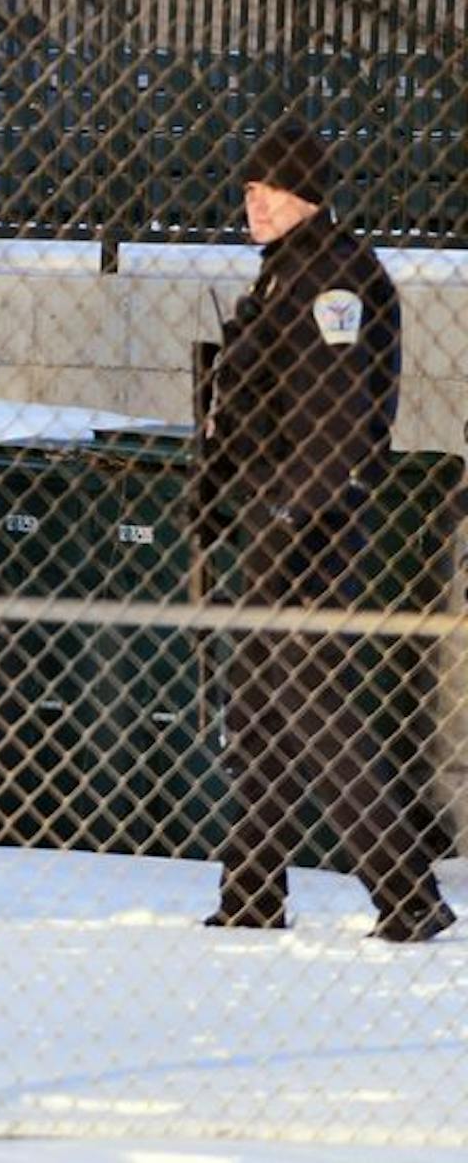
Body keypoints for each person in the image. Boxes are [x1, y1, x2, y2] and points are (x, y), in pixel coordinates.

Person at [195, 120, 455, 943]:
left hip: (308, 527)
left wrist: (287, 514)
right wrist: (217, 491)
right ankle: (251, 893)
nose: (255, 203)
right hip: (277, 517)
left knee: (311, 707)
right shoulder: (285, 274)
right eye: (247, 190)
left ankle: (407, 892)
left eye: (268, 189)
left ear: (307, 191)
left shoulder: (334, 279)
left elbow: (341, 425)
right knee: (264, 712)